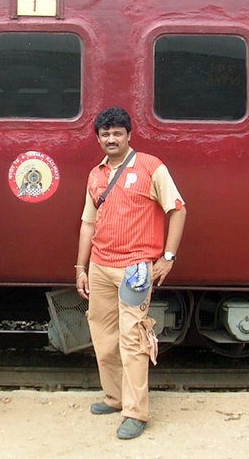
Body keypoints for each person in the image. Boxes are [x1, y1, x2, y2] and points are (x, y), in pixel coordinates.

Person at [75, 106, 186, 440]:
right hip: (98, 265)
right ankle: (115, 396)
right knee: (103, 337)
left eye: (117, 133)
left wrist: (167, 257)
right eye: (105, 134)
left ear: (128, 135)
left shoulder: (152, 167)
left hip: (135, 267)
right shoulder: (95, 175)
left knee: (132, 339)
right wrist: (80, 267)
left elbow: (178, 210)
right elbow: (87, 223)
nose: (111, 139)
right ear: (98, 138)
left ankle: (136, 412)